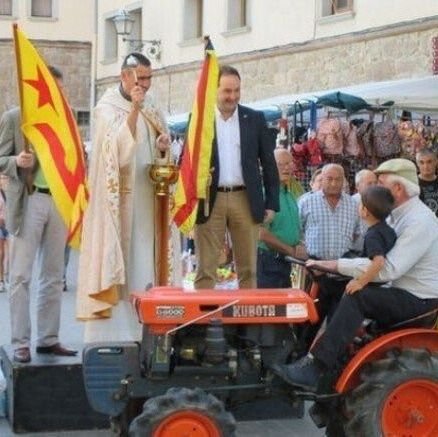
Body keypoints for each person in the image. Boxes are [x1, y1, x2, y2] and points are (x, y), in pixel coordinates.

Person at [273, 158, 438, 391]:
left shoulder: (419, 221)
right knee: (343, 286)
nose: (374, 190)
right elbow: (371, 258)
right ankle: (317, 363)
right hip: (400, 290)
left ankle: (316, 366)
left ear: (398, 189)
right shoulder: (396, 216)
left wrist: (333, 265)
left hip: (418, 299)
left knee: (358, 295)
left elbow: (387, 268)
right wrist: (334, 266)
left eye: (380, 184)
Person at [76, 52, 171, 342]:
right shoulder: (106, 107)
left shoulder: (152, 105)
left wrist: (163, 146)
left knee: (148, 262)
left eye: (148, 78)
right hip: (120, 204)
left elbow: (159, 146)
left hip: (150, 197)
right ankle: (117, 336)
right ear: (124, 77)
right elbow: (117, 152)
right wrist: (133, 108)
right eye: (140, 78)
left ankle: (150, 329)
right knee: (125, 263)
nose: (145, 84)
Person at [0, 66, 76, 363]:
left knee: (54, 274)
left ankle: (48, 338)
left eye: (60, 89)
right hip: (28, 200)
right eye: (52, 88)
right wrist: (16, 161)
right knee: (20, 275)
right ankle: (20, 341)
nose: (58, 94)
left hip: (57, 201)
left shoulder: (65, 120)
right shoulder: (15, 118)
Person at [194, 65, 279, 289]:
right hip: (210, 200)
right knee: (206, 268)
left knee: (248, 269)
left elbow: (269, 164)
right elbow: (189, 161)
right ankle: (204, 322)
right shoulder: (200, 119)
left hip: (245, 197)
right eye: (227, 91)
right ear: (215, 90)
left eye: (237, 91)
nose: (233, 96)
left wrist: (272, 203)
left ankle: (247, 322)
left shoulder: (255, 118)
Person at [299, 163, 360, 321]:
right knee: (309, 320)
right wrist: (306, 261)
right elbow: (297, 235)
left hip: (342, 273)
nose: (333, 183)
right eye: (329, 179)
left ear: (344, 181)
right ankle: (304, 346)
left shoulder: (353, 205)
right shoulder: (306, 202)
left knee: (338, 320)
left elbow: (356, 234)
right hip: (314, 271)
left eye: (338, 179)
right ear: (322, 179)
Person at [257, 148, 301, 288]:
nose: (286, 168)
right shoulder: (264, 193)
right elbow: (260, 233)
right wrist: (290, 250)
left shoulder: (289, 193)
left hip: (284, 262)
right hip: (268, 262)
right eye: (280, 164)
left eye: (289, 163)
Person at [344, 185, 396, 294]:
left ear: (365, 211)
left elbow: (379, 261)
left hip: (375, 286)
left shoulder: (372, 235)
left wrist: (360, 282)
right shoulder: (389, 230)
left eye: (360, 204)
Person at [416, 148, 438, 217]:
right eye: (421, 162)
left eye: (429, 162)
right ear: (417, 164)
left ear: (436, 162)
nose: (425, 166)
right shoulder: (412, 184)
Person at [0, 175, 8, 292]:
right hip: (0, 225)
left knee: (8, 255)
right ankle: (1, 280)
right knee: (1, 254)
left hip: (8, 225)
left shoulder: (5, 192)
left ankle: (6, 278)